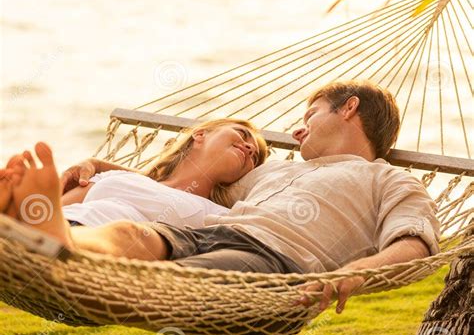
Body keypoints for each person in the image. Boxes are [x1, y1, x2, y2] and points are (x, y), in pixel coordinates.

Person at [0, 81, 440, 314]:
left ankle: (60, 263)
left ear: (348, 109)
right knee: (132, 232)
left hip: (272, 264)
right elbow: (177, 187)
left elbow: (415, 242)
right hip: (207, 234)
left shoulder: (391, 182)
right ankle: (65, 242)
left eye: (310, 115)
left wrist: (356, 273)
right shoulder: (275, 172)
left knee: (162, 289)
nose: (297, 130)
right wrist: (98, 169)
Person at [60, 119, 267, 229]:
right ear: (200, 135)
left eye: (255, 157)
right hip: (53, 229)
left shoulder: (220, 217)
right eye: (242, 134)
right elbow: (52, 208)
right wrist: (98, 164)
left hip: (93, 254)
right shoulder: (116, 177)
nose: (249, 148)